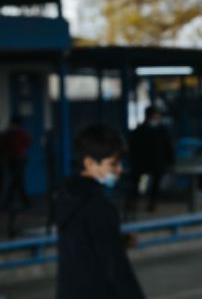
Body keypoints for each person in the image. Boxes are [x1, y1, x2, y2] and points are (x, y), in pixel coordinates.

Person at [55, 124, 145, 299]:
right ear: (89, 163)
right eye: (112, 164)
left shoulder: (67, 196)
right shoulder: (98, 206)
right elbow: (116, 266)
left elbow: (82, 239)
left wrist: (118, 239)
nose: (119, 170)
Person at [127, 106, 175, 213]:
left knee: (155, 183)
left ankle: (152, 202)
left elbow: (168, 146)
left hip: (157, 163)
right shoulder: (140, 130)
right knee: (137, 182)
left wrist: (170, 161)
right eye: (154, 116)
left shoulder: (162, 130)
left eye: (157, 116)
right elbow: (133, 147)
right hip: (142, 163)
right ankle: (134, 200)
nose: (156, 119)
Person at [1, 114, 32, 209]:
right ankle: (24, 202)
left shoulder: (7, 134)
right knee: (17, 180)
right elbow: (28, 142)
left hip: (11, 159)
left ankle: (9, 202)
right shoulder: (20, 133)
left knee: (16, 180)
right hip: (18, 159)